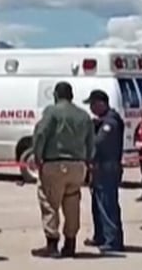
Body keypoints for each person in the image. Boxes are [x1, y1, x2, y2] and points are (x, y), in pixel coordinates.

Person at [29, 81, 94, 258]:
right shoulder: (84, 115)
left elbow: (41, 134)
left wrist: (37, 156)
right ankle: (70, 244)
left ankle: (52, 244)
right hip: (78, 165)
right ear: (72, 95)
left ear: (56, 95)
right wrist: (87, 162)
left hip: (55, 164)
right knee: (72, 203)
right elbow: (90, 142)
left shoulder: (52, 112)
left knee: (50, 202)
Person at [85, 89, 125, 253]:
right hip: (99, 169)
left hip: (108, 168)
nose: (92, 108)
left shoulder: (111, 122)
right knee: (98, 204)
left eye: (93, 104)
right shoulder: (103, 121)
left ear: (101, 103)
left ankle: (113, 240)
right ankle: (100, 236)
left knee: (107, 204)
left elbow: (99, 143)